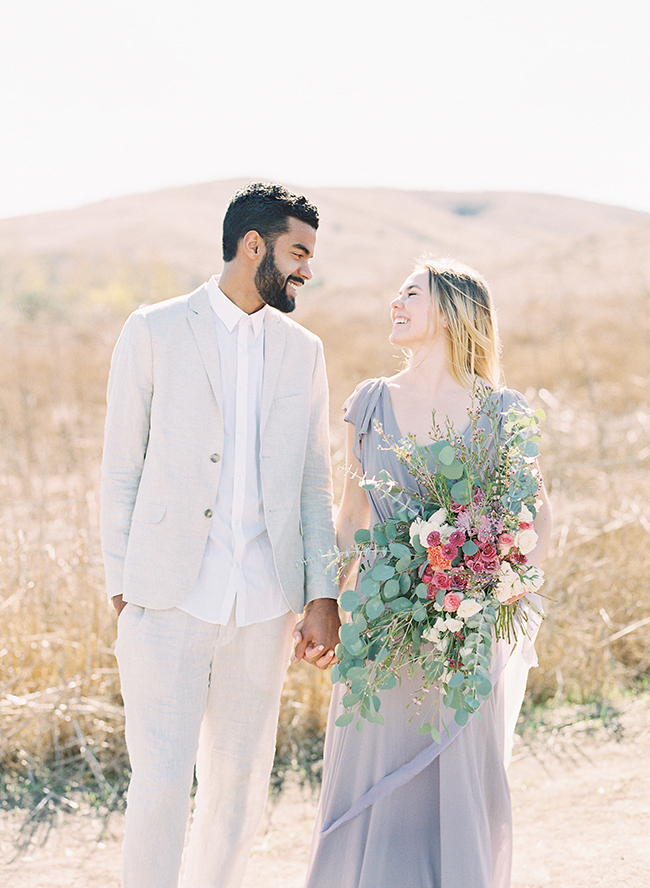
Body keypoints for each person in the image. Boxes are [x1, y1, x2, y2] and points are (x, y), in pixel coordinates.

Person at [100, 182, 340, 888]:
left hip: (263, 602)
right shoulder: (154, 329)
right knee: (163, 783)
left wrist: (321, 594)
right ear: (253, 244)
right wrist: (122, 584)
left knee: (239, 788)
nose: (306, 270)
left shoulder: (304, 352)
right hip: (166, 597)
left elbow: (313, 482)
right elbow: (121, 469)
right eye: (299, 252)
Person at [304, 259, 552, 888]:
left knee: (455, 779)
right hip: (383, 628)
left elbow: (535, 514)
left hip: (465, 634)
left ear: (450, 310)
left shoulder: (502, 409)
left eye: (411, 293)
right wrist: (325, 603)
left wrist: (496, 582)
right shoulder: (371, 402)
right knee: (370, 773)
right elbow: (350, 517)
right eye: (398, 292)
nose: (395, 301)